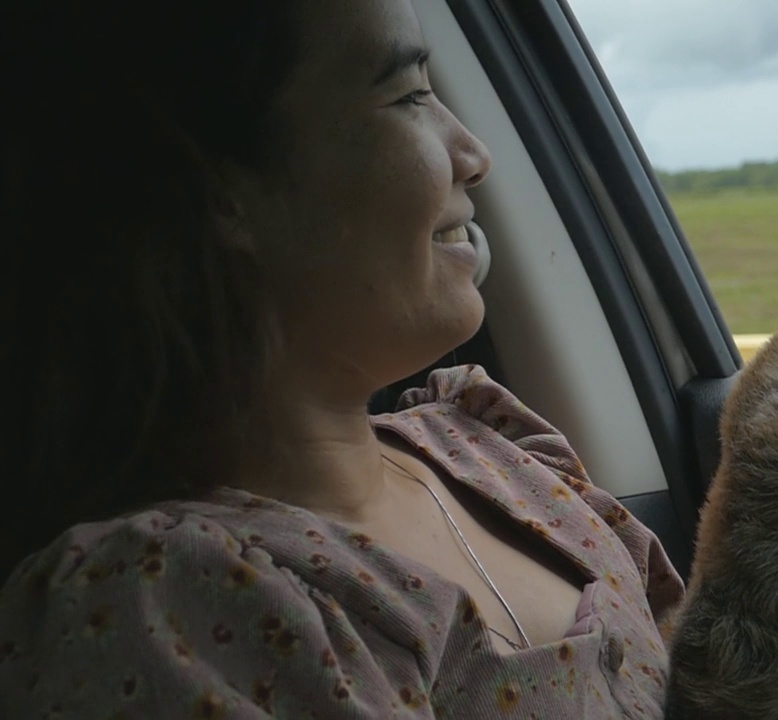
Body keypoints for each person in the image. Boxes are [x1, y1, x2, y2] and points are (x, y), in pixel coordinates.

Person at [0, 1, 684, 717]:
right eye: (411, 94)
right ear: (218, 190)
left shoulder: (494, 451)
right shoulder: (155, 610)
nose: (475, 156)